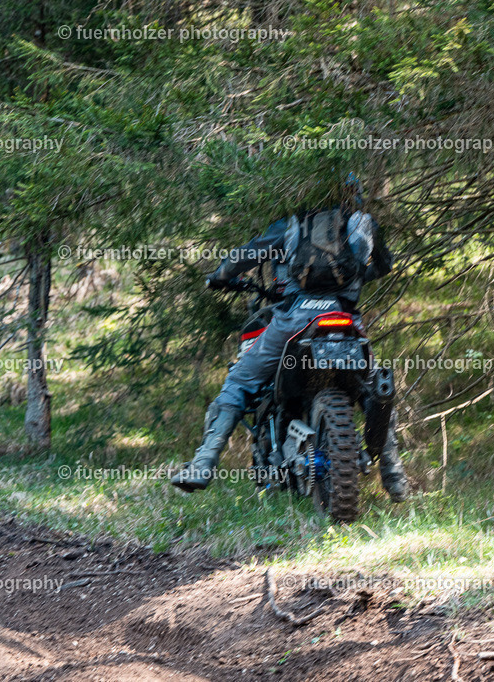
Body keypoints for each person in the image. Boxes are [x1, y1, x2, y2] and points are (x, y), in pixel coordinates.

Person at [170, 179, 409, 502]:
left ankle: (202, 464)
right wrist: (355, 280)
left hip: (294, 320)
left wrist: (221, 275)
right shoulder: (364, 223)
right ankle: (394, 477)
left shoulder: (291, 224)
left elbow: (246, 256)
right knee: (373, 389)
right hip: (346, 320)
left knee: (240, 381)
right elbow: (383, 264)